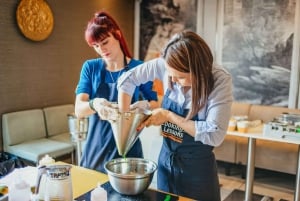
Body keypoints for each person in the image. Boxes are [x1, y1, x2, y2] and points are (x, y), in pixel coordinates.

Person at [117, 31, 233, 201]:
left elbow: (214, 134)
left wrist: (168, 116)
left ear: (198, 71)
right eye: (170, 74)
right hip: (166, 163)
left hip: (198, 171)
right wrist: (125, 119)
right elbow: (126, 80)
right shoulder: (166, 63)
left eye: (180, 77)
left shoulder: (218, 80)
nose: (172, 80)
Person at [74, 11, 158, 173]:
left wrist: (145, 106)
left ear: (117, 35)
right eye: (96, 46)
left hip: (128, 150)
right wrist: (95, 104)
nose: (101, 50)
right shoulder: (90, 68)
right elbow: (78, 109)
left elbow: (156, 102)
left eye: (105, 42)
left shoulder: (139, 68)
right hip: (96, 150)